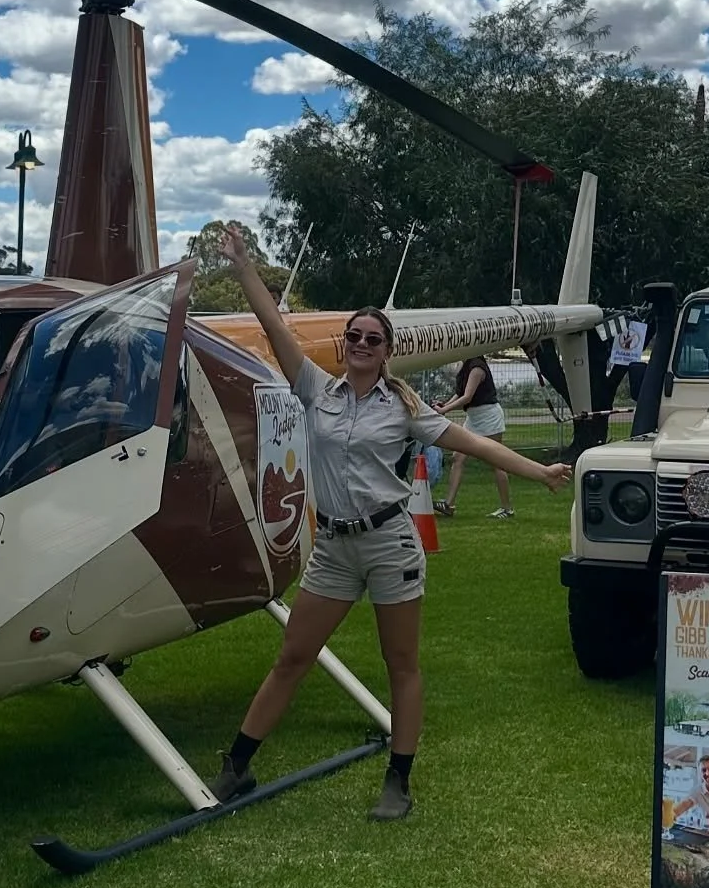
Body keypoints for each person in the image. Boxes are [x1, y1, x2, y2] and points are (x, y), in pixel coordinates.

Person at [209, 226, 573, 820]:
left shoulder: (404, 408)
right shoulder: (316, 390)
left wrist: (540, 472)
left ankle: (398, 779)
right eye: (353, 335)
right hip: (332, 547)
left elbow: (477, 446)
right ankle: (237, 767)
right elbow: (276, 330)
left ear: (386, 350)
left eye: (371, 339)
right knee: (293, 656)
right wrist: (245, 266)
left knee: (400, 664)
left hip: (389, 544)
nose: (359, 343)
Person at [434, 356, 513, 518]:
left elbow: (467, 397)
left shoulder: (477, 367)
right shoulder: (465, 365)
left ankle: (507, 508)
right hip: (473, 418)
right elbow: (459, 393)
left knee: (497, 461)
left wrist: (445, 410)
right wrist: (445, 405)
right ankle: (449, 504)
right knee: (458, 457)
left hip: (488, 416)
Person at [670, 753, 709, 839]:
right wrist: (669, 815)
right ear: (700, 774)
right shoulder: (697, 791)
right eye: (704, 770)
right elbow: (684, 805)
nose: (707, 773)